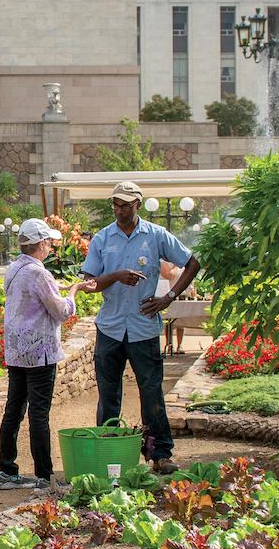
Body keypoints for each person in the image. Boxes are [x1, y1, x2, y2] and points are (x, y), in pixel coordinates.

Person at [77, 180, 200, 467]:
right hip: (110, 326)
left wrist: (169, 297)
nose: (119, 210)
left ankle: (160, 454)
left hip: (144, 327)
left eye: (125, 205)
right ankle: (109, 454)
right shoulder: (103, 239)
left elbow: (192, 262)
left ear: (138, 206)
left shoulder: (156, 235)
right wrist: (116, 275)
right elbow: (89, 284)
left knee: (151, 391)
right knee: (108, 394)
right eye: (115, 205)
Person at [0, 216, 78, 489]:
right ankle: (45, 475)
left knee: (14, 410)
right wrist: (74, 291)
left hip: (17, 351)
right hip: (39, 352)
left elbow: (34, 294)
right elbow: (61, 311)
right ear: (41, 243)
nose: (51, 247)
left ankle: (6, 470)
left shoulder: (14, 268)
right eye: (49, 242)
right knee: (39, 413)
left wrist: (59, 287)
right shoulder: (40, 273)